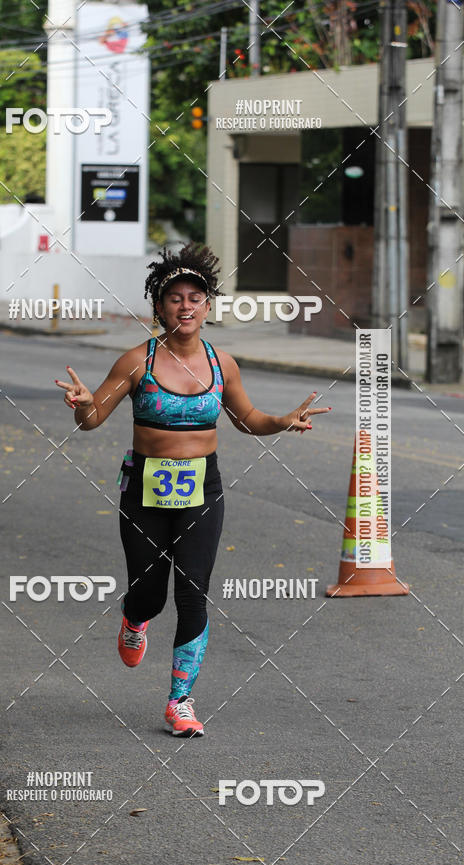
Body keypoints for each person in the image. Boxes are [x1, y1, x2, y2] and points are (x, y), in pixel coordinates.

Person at [55, 242, 331, 737]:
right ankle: (134, 620)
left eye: (195, 297)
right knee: (148, 593)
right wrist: (81, 403)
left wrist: (284, 421)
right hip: (144, 489)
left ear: (207, 306)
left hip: (203, 489)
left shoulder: (222, 364)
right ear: (159, 307)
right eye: (174, 298)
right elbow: (93, 419)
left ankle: (180, 701)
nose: (185, 306)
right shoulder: (136, 362)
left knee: (193, 593)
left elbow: (248, 419)